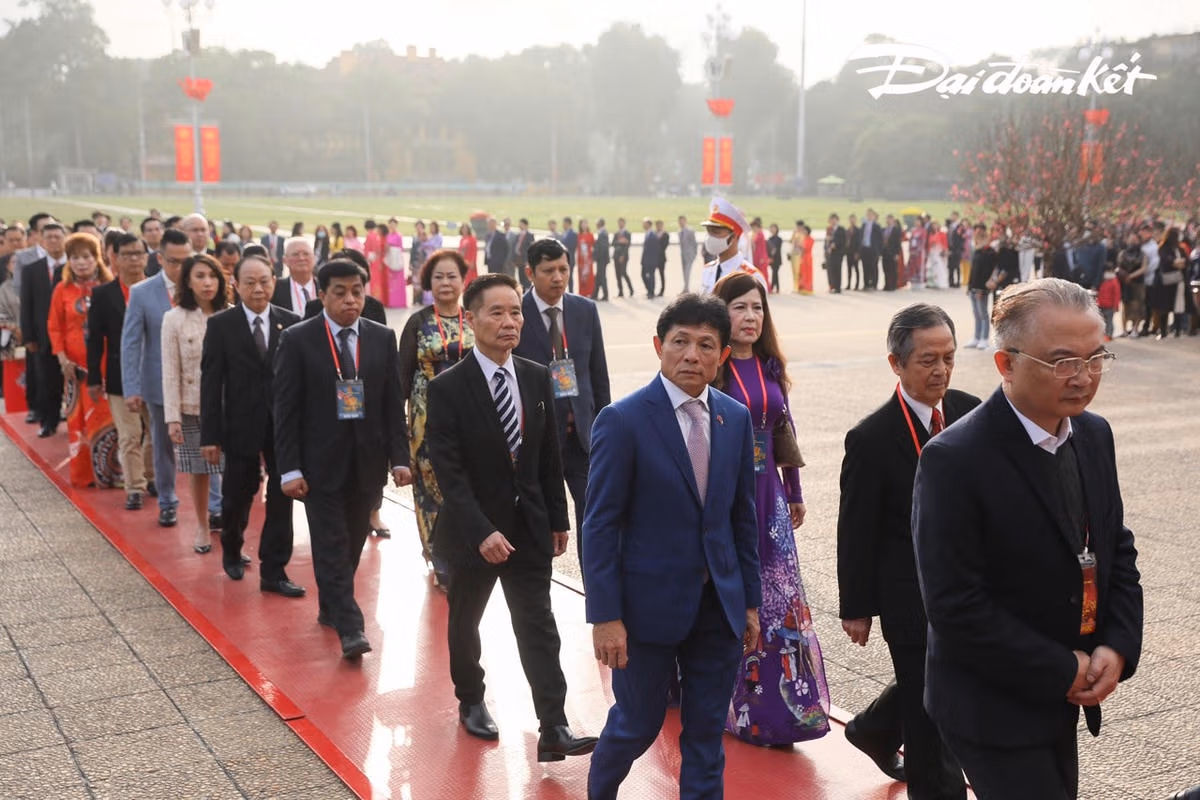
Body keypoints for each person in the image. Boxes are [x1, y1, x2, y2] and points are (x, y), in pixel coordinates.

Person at [912, 278, 1143, 800]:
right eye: (1063, 362)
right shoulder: (955, 459)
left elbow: (1117, 546)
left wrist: (1117, 644)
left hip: (1066, 691)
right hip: (991, 701)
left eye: (1096, 358)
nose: (1083, 377)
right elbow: (954, 604)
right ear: (1006, 364)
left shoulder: (1093, 434)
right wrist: (1062, 667)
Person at [585, 293, 761, 800]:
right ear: (658, 346)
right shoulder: (623, 420)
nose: (691, 355)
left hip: (718, 607)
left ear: (722, 355)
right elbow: (600, 525)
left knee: (706, 733)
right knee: (637, 724)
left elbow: (741, 517)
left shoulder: (734, 418)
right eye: (680, 342)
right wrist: (606, 616)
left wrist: (749, 602)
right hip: (646, 609)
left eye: (705, 345)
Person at [425, 273, 597, 761]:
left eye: (515, 312)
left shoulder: (536, 375)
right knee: (466, 623)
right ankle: (471, 699)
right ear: (471, 319)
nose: (509, 322)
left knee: (538, 625)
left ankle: (554, 725)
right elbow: (449, 473)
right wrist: (482, 531)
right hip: (474, 534)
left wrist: (558, 517)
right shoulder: (447, 388)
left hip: (529, 529)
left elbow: (547, 457)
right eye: (496, 312)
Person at [837, 303, 980, 799]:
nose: (941, 370)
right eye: (927, 360)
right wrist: (856, 606)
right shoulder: (872, 437)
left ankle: (875, 728)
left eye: (949, 357)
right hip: (908, 593)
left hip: (969, 587)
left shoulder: (971, 411)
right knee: (931, 714)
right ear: (896, 364)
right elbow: (856, 528)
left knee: (945, 680)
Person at [713, 272, 830, 746]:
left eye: (757, 308)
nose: (750, 317)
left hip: (771, 499)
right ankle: (735, 705)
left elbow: (785, 427)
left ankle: (785, 709)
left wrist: (794, 490)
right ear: (722, 313)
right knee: (736, 595)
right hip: (727, 496)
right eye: (740, 307)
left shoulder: (770, 365)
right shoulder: (713, 366)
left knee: (780, 600)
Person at [274, 259, 412, 659]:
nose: (350, 300)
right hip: (318, 466)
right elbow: (286, 410)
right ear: (322, 295)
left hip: (367, 464)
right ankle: (351, 628)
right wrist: (289, 468)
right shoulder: (298, 339)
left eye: (357, 291)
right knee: (331, 544)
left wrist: (399, 458)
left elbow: (392, 404)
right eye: (340, 292)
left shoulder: (381, 337)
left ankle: (331, 605)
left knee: (351, 545)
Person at [200, 254, 303, 595]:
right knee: (237, 495)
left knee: (282, 496)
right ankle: (232, 547)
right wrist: (210, 436)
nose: (258, 289)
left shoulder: (291, 322)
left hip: (283, 428)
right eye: (250, 282)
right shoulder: (221, 325)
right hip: (239, 425)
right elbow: (211, 383)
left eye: (264, 281)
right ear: (236, 285)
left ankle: (274, 570)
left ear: (274, 282)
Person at [514, 239, 611, 568]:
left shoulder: (585, 310)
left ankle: (592, 584)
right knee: (540, 517)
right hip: (538, 438)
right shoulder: (517, 314)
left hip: (581, 437)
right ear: (530, 273)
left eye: (563, 269)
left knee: (592, 514)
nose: (558, 278)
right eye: (548, 271)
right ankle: (538, 581)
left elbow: (598, 375)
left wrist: (604, 428)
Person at [399, 249, 475, 589]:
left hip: (469, 418)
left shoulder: (473, 317)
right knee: (431, 491)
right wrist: (398, 435)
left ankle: (464, 553)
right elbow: (401, 378)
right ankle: (439, 558)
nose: (445, 282)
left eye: (452, 276)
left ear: (463, 280)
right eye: (438, 277)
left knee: (466, 486)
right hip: (425, 419)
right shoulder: (418, 322)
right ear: (429, 283)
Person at [123, 228, 194, 527]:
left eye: (186, 260)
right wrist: (132, 387)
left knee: (208, 443)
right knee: (162, 445)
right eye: (174, 261)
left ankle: (215, 505)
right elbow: (131, 343)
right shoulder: (142, 292)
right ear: (160, 259)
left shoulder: (202, 286)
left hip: (198, 383)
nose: (180, 267)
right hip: (158, 382)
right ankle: (167, 501)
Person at [162, 254, 229, 553]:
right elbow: (170, 370)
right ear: (188, 282)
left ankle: (232, 528)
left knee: (234, 471)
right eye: (200, 276)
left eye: (212, 276)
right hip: (191, 407)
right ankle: (202, 525)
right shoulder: (174, 318)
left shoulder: (231, 314)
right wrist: (172, 417)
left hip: (229, 408)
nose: (207, 282)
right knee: (198, 470)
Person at [87, 233, 154, 508]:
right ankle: (134, 487)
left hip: (155, 373)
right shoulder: (103, 295)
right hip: (120, 375)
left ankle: (151, 476)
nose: (134, 260)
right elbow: (94, 340)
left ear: (146, 257)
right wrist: (93, 377)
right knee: (129, 434)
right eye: (127, 254)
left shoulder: (158, 290)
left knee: (156, 434)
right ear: (115, 258)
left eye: (139, 254)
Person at [48, 233, 114, 487]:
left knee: (108, 418)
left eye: (86, 256)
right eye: (74, 257)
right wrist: (62, 358)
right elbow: (54, 326)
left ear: (97, 258)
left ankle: (110, 474)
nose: (81, 262)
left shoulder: (109, 287)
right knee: (78, 421)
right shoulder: (62, 289)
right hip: (74, 369)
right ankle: (84, 474)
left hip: (107, 366)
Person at [19, 220, 67, 438]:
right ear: (42, 240)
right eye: (49, 237)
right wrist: (28, 336)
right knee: (47, 381)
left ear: (64, 239)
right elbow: (27, 305)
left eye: (57, 237)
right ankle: (49, 421)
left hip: (71, 334)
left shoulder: (74, 266)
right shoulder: (32, 270)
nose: (53, 241)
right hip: (43, 336)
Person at [699, 198, 764, 293]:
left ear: (733, 237)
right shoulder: (708, 270)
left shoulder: (751, 277)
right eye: (709, 232)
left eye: (716, 232)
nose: (710, 237)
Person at [966, 224, 996, 351]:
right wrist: (969, 286)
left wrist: (982, 289)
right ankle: (976, 337)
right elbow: (973, 270)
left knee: (983, 313)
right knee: (976, 313)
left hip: (981, 289)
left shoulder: (990, 252)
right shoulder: (977, 251)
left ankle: (984, 338)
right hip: (973, 287)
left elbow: (987, 272)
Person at [271, 237, 318, 316]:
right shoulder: (274, 289)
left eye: (306, 254)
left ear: (314, 258)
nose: (301, 258)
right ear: (285, 260)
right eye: (295, 254)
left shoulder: (325, 287)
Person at [611, 218, 634, 298]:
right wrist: (619, 241)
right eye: (619, 223)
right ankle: (620, 291)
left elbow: (627, 245)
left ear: (624, 223)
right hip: (616, 256)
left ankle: (631, 290)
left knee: (623, 273)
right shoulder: (616, 233)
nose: (620, 224)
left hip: (623, 257)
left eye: (621, 223)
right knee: (617, 274)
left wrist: (623, 255)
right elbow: (613, 243)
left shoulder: (627, 233)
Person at [825, 214, 847, 294]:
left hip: (837, 253)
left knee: (837, 270)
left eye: (834, 220)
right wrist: (827, 248)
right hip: (829, 253)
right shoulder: (829, 229)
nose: (833, 221)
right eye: (831, 220)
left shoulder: (841, 229)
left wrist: (835, 245)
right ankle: (832, 286)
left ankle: (837, 287)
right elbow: (826, 240)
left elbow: (843, 240)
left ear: (837, 220)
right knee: (830, 271)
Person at [639, 218, 660, 299]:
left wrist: (654, 261)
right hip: (645, 260)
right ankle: (649, 290)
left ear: (648, 225)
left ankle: (651, 292)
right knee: (643, 275)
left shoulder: (652, 235)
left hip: (651, 261)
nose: (643, 225)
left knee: (651, 276)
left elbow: (654, 249)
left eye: (644, 224)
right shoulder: (647, 234)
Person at [576, 218, 596, 299]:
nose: (584, 225)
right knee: (582, 277)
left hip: (588, 260)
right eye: (583, 224)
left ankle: (590, 292)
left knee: (589, 276)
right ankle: (582, 292)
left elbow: (594, 247)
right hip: (581, 259)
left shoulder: (590, 235)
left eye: (585, 223)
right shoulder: (578, 236)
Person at [678, 215, 698, 293]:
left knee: (687, 272)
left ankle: (686, 288)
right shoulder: (679, 232)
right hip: (683, 255)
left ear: (685, 221)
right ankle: (685, 287)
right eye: (680, 221)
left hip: (690, 255)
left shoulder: (690, 231)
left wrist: (694, 254)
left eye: (682, 221)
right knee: (684, 272)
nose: (681, 223)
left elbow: (694, 243)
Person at [593, 218, 610, 302]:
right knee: (599, 277)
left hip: (602, 259)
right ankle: (595, 294)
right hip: (601, 259)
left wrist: (596, 256)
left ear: (600, 224)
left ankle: (605, 295)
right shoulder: (602, 232)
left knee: (602, 277)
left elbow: (603, 248)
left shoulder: (602, 233)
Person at [560, 216, 578, 294]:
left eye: (564, 223)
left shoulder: (573, 234)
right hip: (563, 259)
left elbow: (573, 246)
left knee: (569, 277)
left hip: (570, 259)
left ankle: (571, 292)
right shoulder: (563, 233)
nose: (563, 225)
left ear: (568, 223)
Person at [457, 223, 478, 287]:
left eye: (466, 229)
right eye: (463, 229)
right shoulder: (462, 239)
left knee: (471, 280)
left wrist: (473, 262)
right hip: (463, 262)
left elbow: (474, 251)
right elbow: (460, 251)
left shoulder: (472, 239)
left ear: (469, 230)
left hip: (470, 263)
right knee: (464, 279)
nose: (464, 230)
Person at [845, 214, 862, 292]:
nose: (852, 221)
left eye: (853, 219)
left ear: (855, 220)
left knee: (856, 269)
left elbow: (859, 242)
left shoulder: (858, 230)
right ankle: (848, 284)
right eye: (851, 219)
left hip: (855, 253)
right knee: (849, 269)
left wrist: (857, 253)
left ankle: (857, 285)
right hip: (848, 252)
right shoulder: (848, 230)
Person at [766, 223, 784, 294]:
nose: (772, 229)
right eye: (771, 228)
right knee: (775, 273)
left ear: (777, 229)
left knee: (775, 273)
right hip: (771, 258)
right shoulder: (770, 239)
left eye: (774, 228)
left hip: (777, 259)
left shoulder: (779, 239)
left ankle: (773, 287)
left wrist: (772, 255)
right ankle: (777, 288)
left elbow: (776, 249)